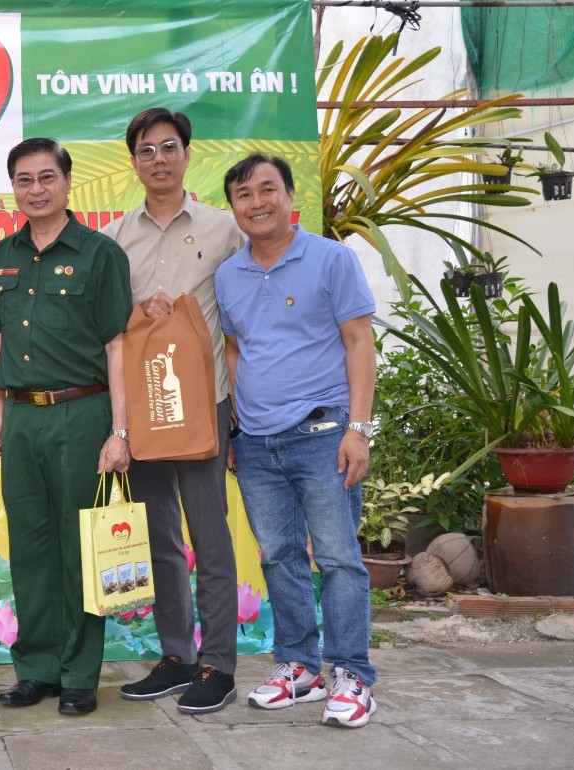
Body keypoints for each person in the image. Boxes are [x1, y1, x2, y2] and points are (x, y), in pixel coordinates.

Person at [214, 154, 379, 728]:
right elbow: (235, 351)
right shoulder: (228, 275)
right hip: (257, 442)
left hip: (323, 433)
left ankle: (353, 674)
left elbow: (360, 344)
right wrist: (234, 429)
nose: (257, 202)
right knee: (279, 557)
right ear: (233, 208)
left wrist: (360, 430)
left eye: (267, 190)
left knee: (337, 559)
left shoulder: (332, 259)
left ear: (289, 197)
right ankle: (299, 667)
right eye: (244, 194)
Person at [0, 138, 133, 717]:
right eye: (23, 180)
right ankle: (35, 668)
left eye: (46, 178)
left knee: (77, 548)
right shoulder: (3, 255)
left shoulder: (99, 253)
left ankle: (79, 675)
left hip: (81, 414)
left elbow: (117, 344)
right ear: (12, 187)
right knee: (31, 547)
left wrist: (121, 431)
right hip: (20, 418)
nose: (35, 190)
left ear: (67, 182)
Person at [99, 108, 245, 714]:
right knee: (160, 537)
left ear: (188, 154)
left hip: (205, 407)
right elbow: (108, 328)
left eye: (168, 147)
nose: (157, 159)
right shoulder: (112, 237)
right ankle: (176, 657)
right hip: (144, 409)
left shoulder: (223, 229)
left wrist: (240, 409)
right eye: (145, 150)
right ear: (132, 162)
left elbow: (240, 322)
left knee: (210, 539)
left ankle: (218, 664)